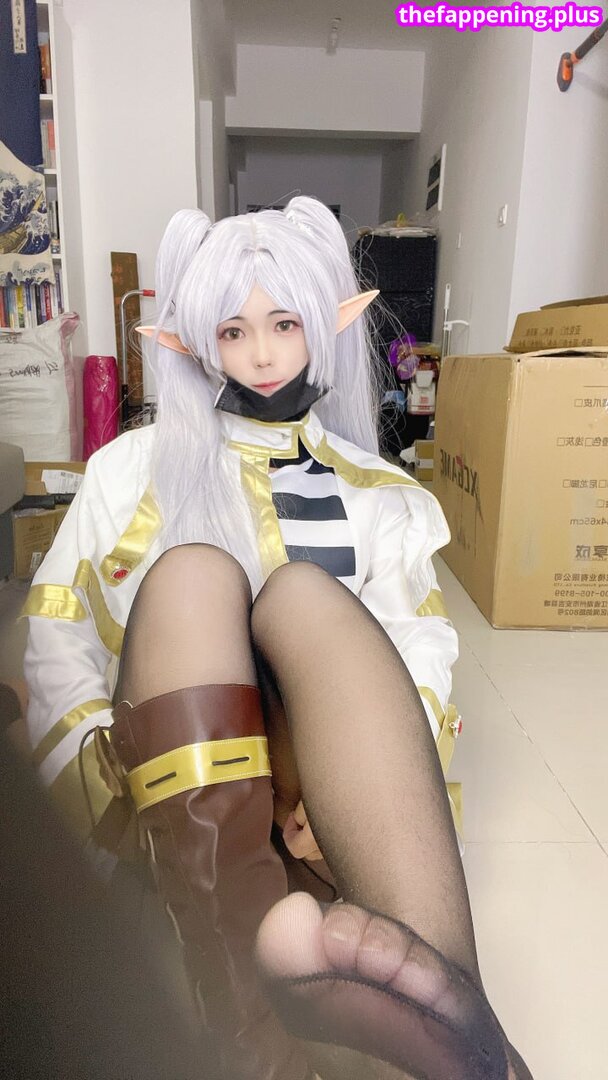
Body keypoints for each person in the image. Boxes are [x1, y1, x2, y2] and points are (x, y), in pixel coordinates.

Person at [21, 197, 532, 1079]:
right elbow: (56, 635)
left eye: (285, 323)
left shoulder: (381, 496)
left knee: (299, 593)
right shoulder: (128, 472)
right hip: (168, 791)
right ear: (195, 341)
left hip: (314, 798)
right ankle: (253, 1043)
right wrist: (103, 793)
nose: (262, 353)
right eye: (234, 330)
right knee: (192, 578)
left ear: (325, 326)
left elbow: (417, 653)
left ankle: (458, 1039)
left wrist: (339, 813)